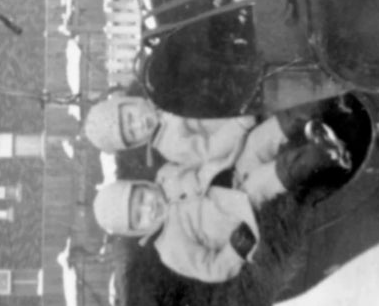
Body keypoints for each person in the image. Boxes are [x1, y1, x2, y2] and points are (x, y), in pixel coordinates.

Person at [85, 89, 362, 287]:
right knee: (268, 179)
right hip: (241, 211)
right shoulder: (170, 249)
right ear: (138, 230)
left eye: (142, 198)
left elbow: (204, 161)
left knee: (260, 140)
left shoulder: (166, 176)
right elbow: (210, 269)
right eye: (140, 216)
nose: (149, 207)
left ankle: (324, 103)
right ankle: (325, 154)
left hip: (233, 172)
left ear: (142, 185)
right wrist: (234, 250)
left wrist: (236, 144)